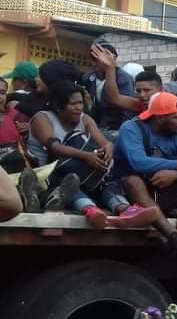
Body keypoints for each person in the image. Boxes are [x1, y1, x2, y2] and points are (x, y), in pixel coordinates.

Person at [28, 80, 159, 228]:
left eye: (80, 103)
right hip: (50, 175)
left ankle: (125, 210)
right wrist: (86, 156)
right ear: (58, 106)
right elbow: (55, 147)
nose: (79, 108)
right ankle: (91, 210)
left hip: (82, 174)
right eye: (73, 104)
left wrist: (107, 151)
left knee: (105, 180)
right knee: (70, 183)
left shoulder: (84, 118)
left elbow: (105, 143)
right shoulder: (42, 118)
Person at [115, 92, 177, 254]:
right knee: (133, 181)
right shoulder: (131, 128)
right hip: (135, 191)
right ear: (160, 118)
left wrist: (175, 174)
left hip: (166, 187)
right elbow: (138, 162)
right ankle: (171, 234)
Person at [80, 39, 135, 134]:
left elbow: (128, 109)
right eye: (95, 58)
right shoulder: (88, 78)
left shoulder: (123, 78)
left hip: (117, 129)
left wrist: (124, 132)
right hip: (96, 128)